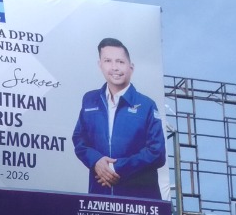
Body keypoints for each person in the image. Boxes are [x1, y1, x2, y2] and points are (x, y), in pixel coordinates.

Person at [71, 37, 166, 199]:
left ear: (131, 67)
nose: (115, 67)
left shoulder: (146, 105)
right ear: (100, 65)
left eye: (120, 62)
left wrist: (116, 168)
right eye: (108, 61)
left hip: (141, 204)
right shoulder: (89, 100)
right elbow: (79, 140)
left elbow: (157, 153)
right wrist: (96, 161)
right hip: (100, 198)